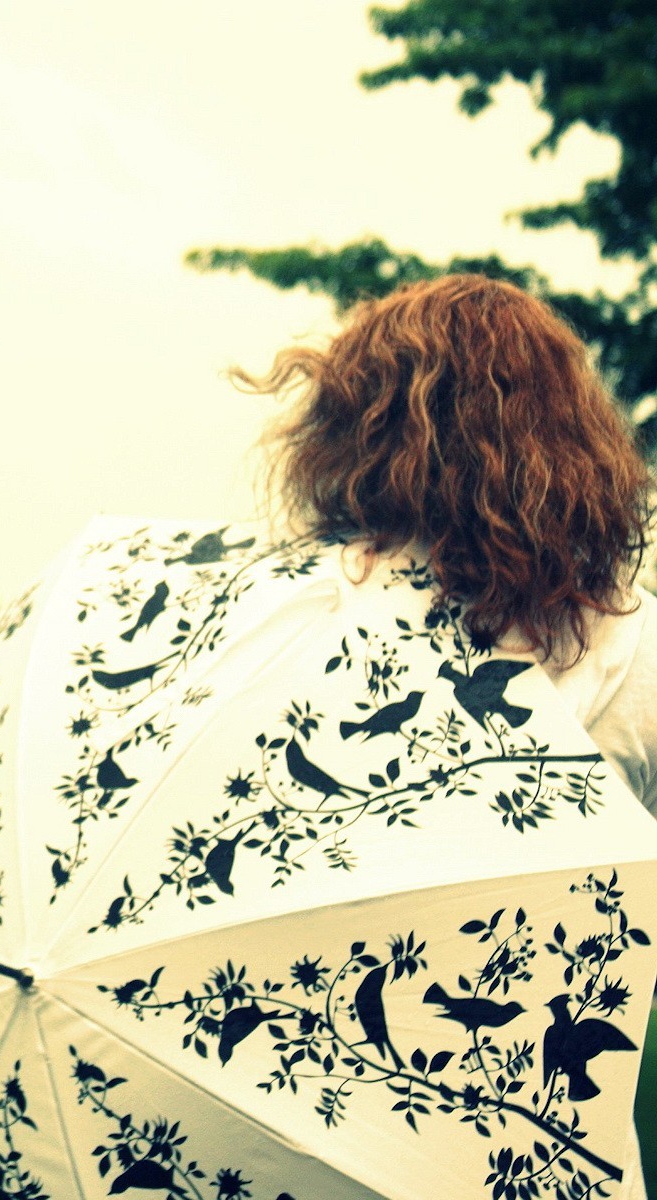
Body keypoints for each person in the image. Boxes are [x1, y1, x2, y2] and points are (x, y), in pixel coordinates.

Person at [234, 271, 657, 1196]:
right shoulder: (635, 647)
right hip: (536, 1137)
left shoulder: (278, 620)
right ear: (568, 429)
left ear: (352, 430)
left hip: (303, 1097)